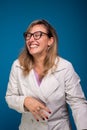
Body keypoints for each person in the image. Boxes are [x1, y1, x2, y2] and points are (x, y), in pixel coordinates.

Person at [5, 19, 87, 130]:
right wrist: (25, 101)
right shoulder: (17, 65)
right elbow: (10, 97)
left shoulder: (65, 67)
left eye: (37, 35)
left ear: (50, 41)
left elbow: (78, 104)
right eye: (28, 36)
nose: (31, 39)